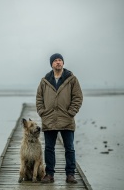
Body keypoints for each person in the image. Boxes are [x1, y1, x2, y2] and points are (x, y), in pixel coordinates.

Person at [36, 53, 83, 184]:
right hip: (49, 119)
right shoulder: (45, 80)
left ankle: (70, 174)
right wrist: (42, 112)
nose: (58, 62)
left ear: (63, 63)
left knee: (69, 148)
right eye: (55, 60)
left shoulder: (71, 79)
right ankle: (49, 174)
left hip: (66, 119)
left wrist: (71, 112)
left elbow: (78, 97)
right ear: (51, 64)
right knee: (49, 148)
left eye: (60, 60)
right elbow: (39, 98)